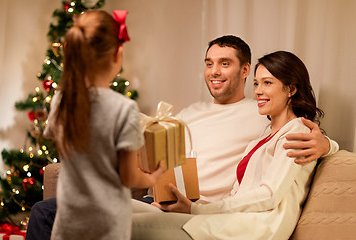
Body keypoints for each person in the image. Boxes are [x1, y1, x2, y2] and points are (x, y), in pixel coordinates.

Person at [26, 35, 337, 239]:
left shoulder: (259, 115)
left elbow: (296, 145)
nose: (214, 71)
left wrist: (326, 144)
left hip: (206, 210)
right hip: (166, 200)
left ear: (243, 70)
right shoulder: (196, 114)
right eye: (209, 63)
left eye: (225, 63)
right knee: (48, 210)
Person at [131, 50, 330, 239]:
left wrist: (196, 209)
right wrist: (190, 205)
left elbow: (269, 195)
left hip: (252, 228)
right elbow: (236, 195)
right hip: (225, 220)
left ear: (291, 89)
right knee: (117, 208)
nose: (259, 91)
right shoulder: (261, 137)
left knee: (124, 224)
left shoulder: (298, 132)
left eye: (267, 83)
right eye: (256, 84)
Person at [32, 10, 164, 240]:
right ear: (117, 54)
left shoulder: (61, 100)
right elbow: (129, 177)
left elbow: (66, 153)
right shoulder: (124, 108)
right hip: (107, 225)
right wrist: (153, 178)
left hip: (68, 221)